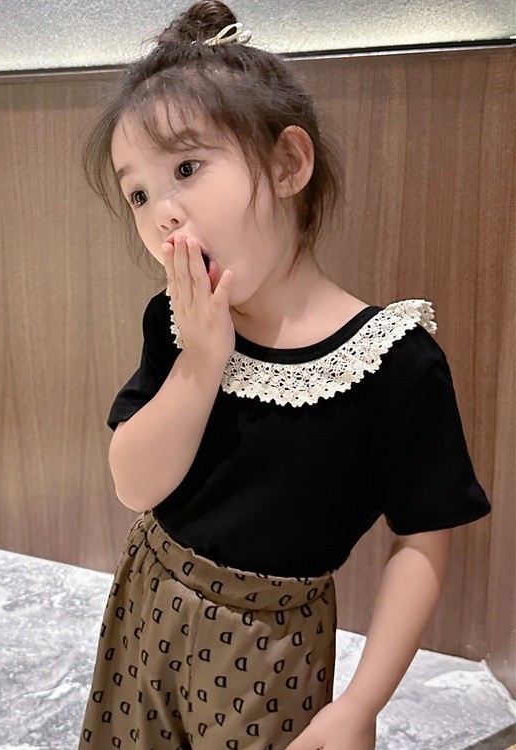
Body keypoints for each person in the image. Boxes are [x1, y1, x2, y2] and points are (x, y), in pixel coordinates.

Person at [77, 3, 492, 749]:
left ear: (287, 164)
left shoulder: (394, 362)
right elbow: (135, 486)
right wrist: (201, 362)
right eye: (137, 192)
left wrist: (359, 705)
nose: (160, 214)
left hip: (271, 651)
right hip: (148, 600)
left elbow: (423, 540)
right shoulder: (174, 321)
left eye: (186, 169)